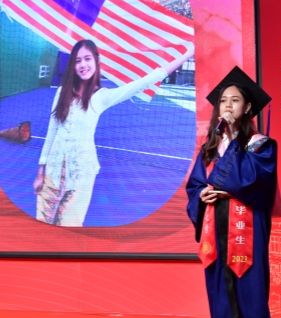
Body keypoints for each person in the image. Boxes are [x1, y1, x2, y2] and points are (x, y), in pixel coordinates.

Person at [185, 66, 277, 318]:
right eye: (223, 100)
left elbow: (246, 181)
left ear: (247, 108)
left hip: (246, 234)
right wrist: (202, 195)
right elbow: (195, 184)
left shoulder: (261, 146)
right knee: (220, 297)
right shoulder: (210, 148)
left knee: (249, 296)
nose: (227, 106)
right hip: (216, 232)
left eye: (235, 100)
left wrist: (233, 142)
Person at [34, 39, 193, 227]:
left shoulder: (102, 96)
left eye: (87, 59)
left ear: (96, 61)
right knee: (42, 224)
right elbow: (52, 131)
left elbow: (145, 82)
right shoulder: (62, 92)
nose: (83, 65)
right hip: (52, 173)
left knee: (70, 226)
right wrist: (41, 171)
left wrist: (187, 54)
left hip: (82, 175)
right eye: (78, 61)